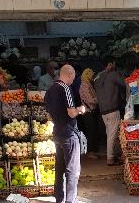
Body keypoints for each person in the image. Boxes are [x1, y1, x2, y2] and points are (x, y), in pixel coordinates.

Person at [44, 64, 85, 203]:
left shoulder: (49, 91)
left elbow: (48, 115)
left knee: (60, 168)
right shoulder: (65, 88)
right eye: (73, 77)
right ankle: (70, 200)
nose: (73, 80)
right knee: (72, 170)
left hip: (57, 133)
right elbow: (71, 113)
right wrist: (81, 109)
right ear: (69, 74)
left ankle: (59, 199)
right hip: (68, 133)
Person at [94, 56, 126, 166]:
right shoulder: (112, 74)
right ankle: (110, 158)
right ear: (110, 64)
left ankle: (115, 154)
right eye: (113, 63)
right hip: (112, 108)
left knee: (110, 133)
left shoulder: (98, 77)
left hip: (103, 110)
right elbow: (124, 83)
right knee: (112, 135)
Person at [79, 68, 99, 159]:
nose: (93, 76)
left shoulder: (88, 84)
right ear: (87, 75)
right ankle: (90, 152)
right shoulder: (85, 85)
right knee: (91, 131)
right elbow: (89, 100)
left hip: (90, 111)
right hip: (88, 111)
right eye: (91, 75)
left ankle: (92, 151)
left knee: (93, 131)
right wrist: (99, 100)